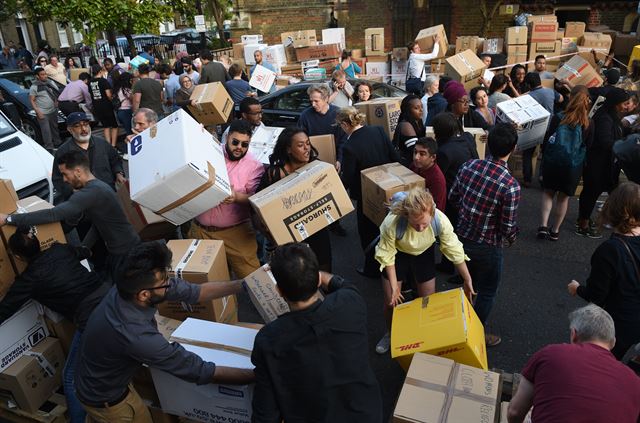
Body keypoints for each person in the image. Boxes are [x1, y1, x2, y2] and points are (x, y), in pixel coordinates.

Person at [74, 241, 254, 422]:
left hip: (102, 373)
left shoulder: (128, 286)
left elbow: (196, 292)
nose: (170, 284)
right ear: (144, 295)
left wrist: (244, 285)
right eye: (165, 282)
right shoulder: (135, 334)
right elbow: (199, 370)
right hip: (107, 401)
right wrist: (258, 374)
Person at [251, 243, 382, 422]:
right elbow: (340, 283)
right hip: (366, 414)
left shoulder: (270, 339)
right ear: (318, 280)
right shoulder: (350, 302)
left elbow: (265, 413)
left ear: (279, 291)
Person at [0, 227, 109, 423]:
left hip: (92, 319)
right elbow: (85, 251)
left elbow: (5, 309)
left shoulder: (29, 279)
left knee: (70, 377)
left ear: (17, 256)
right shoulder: (59, 250)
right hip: (110, 298)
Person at [0, 150, 139, 284]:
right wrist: (84, 248)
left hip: (125, 253)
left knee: (128, 296)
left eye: (65, 174)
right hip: (120, 251)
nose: (64, 180)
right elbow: (99, 224)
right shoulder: (97, 188)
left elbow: (53, 214)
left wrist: (9, 219)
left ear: (78, 171)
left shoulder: (91, 193)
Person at [374, 187, 474, 354]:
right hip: (398, 255)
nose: (420, 228)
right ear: (406, 215)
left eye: (425, 224)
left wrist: (467, 279)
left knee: (427, 301)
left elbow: (454, 250)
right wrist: (394, 287)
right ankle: (391, 334)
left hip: (424, 253)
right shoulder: (393, 222)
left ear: (432, 215)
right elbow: (387, 256)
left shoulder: (440, 220)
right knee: (391, 302)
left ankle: (422, 336)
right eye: (415, 224)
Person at [448, 123, 520, 346]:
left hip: (460, 238)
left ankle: (458, 327)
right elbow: (508, 227)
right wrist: (511, 238)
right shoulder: (510, 185)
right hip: (488, 245)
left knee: (468, 284)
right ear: (514, 148)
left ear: (487, 142)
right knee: (487, 291)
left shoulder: (469, 166)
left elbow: (453, 197)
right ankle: (473, 335)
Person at [507, 304, 640, 423]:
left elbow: (515, 412)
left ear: (574, 334)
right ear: (613, 342)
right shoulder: (635, 382)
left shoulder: (551, 354)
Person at [568, 182, 640, 359]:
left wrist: (577, 289)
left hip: (617, 323)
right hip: (636, 320)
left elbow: (597, 295)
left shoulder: (610, 250)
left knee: (603, 363)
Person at [189, 120, 264, 278]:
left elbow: (256, 198)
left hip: (236, 233)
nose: (239, 148)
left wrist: (237, 197)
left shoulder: (254, 166)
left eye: (244, 144)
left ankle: (276, 304)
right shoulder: (210, 150)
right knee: (210, 284)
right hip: (200, 231)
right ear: (228, 137)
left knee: (256, 280)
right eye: (235, 142)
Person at [257, 127, 333, 271]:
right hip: (289, 235)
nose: (307, 149)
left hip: (317, 228)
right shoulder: (275, 174)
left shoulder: (316, 167)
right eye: (300, 145)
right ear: (288, 150)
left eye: (308, 143)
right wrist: (267, 230)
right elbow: (257, 205)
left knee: (324, 269)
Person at [338, 107, 401, 277]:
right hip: (390, 187)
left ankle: (372, 268)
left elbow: (349, 178)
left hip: (367, 196)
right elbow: (394, 157)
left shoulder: (349, 146)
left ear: (345, 124)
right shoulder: (378, 131)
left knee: (368, 233)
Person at [576, 87, 629, 238]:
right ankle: (583, 223)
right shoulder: (604, 117)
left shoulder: (613, 116)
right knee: (591, 192)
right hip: (598, 164)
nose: (626, 106)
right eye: (624, 103)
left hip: (608, 164)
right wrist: (624, 144)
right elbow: (605, 142)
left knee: (610, 192)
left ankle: (598, 220)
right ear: (615, 104)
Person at [538, 89, 591, 241]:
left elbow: (548, 139)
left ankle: (543, 226)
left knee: (548, 193)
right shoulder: (588, 123)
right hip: (573, 166)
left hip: (554, 162)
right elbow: (588, 145)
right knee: (563, 198)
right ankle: (555, 230)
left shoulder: (559, 117)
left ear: (571, 97)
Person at [53, 112, 124, 201]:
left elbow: (115, 160)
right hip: (83, 200)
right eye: (77, 126)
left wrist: (118, 173)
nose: (83, 129)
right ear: (70, 129)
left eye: (85, 124)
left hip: (108, 194)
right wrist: (72, 191)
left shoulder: (102, 143)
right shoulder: (63, 152)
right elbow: (57, 179)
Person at [521, 72, 562, 188]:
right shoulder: (550, 91)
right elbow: (561, 99)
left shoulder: (528, 96)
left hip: (533, 128)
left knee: (528, 153)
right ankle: (542, 177)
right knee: (546, 154)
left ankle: (527, 179)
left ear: (528, 85)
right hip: (549, 127)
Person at [298, 84, 346, 175]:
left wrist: (340, 160)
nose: (313, 104)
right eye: (311, 101)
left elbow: (344, 140)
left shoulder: (338, 114)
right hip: (313, 163)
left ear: (326, 99)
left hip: (335, 162)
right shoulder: (305, 116)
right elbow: (300, 140)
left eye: (316, 101)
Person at [29, 66, 61, 151]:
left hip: (53, 110)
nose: (45, 76)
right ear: (37, 76)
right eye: (42, 75)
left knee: (55, 128)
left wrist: (56, 101)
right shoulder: (34, 86)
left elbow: (56, 93)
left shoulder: (50, 83)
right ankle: (49, 147)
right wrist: (38, 112)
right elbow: (32, 100)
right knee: (46, 131)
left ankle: (58, 143)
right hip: (43, 112)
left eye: (45, 74)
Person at [410, 137, 446, 211]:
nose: (416, 157)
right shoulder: (414, 166)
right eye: (415, 152)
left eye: (422, 154)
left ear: (433, 157)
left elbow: (437, 210)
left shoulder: (437, 180)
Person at [89, 64, 119, 147]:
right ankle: (113, 145)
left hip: (97, 106)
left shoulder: (90, 82)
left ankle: (108, 145)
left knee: (105, 126)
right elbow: (108, 95)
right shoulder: (103, 81)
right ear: (100, 71)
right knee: (114, 126)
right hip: (106, 105)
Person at [393, 94, 426, 165]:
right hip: (407, 165)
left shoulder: (418, 121)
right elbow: (415, 151)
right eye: (416, 108)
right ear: (408, 111)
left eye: (421, 107)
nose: (421, 110)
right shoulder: (406, 126)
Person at [113, 72, 134, 136]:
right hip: (126, 111)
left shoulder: (117, 89)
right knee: (130, 131)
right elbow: (132, 98)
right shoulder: (126, 89)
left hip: (120, 111)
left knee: (127, 130)